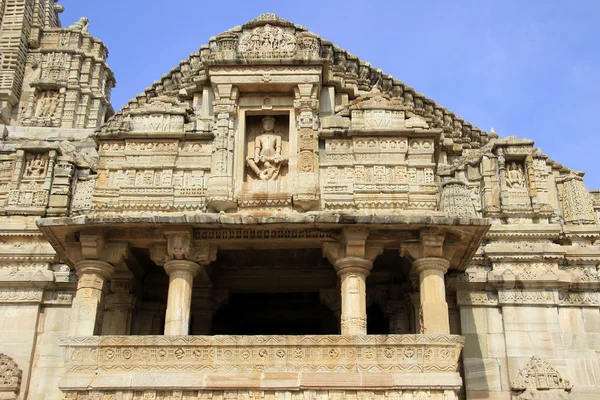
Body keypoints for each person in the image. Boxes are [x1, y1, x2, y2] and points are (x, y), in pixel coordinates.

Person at [246, 116, 287, 181]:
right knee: (248, 159)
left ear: (274, 125)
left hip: (273, 157)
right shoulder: (258, 137)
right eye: (266, 124)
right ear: (262, 125)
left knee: (284, 159)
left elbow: (278, 148)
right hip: (262, 156)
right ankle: (260, 173)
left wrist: (277, 154)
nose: (268, 125)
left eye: (270, 124)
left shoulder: (277, 137)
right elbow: (257, 149)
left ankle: (271, 169)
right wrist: (256, 155)